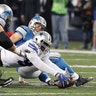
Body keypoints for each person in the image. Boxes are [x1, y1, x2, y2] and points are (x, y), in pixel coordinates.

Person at [10, 15, 93, 86]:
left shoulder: (40, 37)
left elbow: (39, 60)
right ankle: (77, 78)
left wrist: (21, 78)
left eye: (41, 27)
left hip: (27, 69)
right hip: (23, 65)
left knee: (41, 61)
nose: (39, 28)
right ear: (32, 23)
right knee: (55, 57)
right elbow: (10, 43)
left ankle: (50, 81)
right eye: (38, 25)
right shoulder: (25, 30)